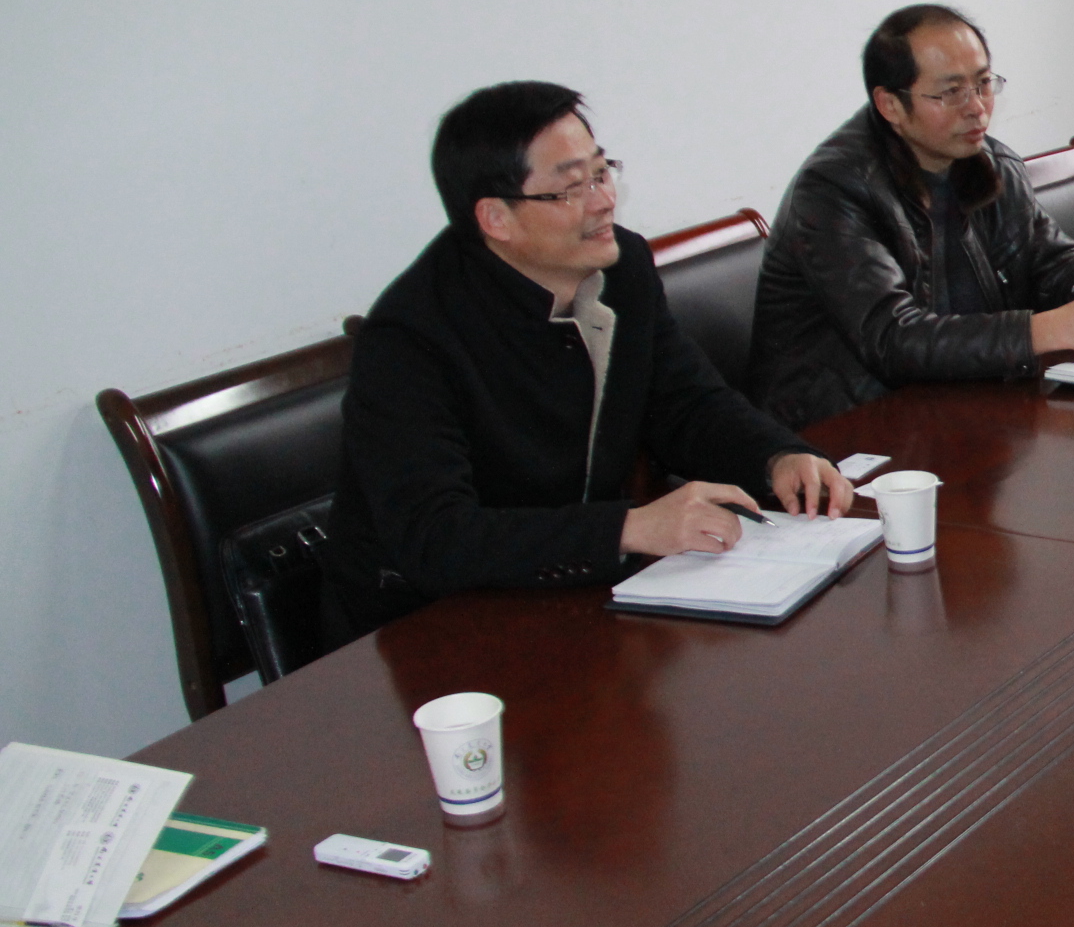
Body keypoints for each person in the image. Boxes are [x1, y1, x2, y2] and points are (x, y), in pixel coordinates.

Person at [322, 82, 851, 644]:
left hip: (570, 599)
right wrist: (630, 527)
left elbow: (686, 403)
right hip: (428, 633)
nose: (603, 201)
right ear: (496, 218)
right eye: (572, 188)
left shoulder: (623, 270)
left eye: (601, 173)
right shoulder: (410, 340)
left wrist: (775, 456)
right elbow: (437, 538)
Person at [745, 4, 1074, 427]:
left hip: (964, 405)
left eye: (983, 84)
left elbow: (1045, 258)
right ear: (890, 105)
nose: (977, 107)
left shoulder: (989, 163)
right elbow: (893, 339)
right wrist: (1047, 330)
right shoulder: (834, 190)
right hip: (844, 431)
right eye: (950, 92)